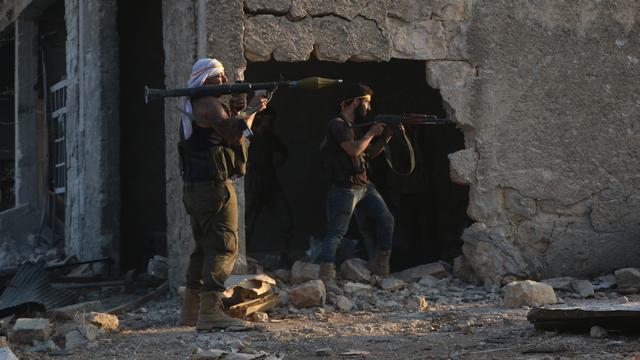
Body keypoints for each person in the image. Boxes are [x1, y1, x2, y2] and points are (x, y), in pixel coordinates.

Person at [178, 58, 268, 330]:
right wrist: (253, 107)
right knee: (224, 247)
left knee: (203, 249)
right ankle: (209, 312)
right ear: (207, 79)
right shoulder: (208, 104)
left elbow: (231, 130)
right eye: (220, 77)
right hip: (214, 188)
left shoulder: (199, 104)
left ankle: (191, 311)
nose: (226, 80)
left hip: (198, 189)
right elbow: (233, 136)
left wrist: (241, 112)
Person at [317, 83, 396, 294]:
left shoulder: (355, 127)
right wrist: (371, 132)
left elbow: (366, 154)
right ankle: (326, 276)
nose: (369, 109)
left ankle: (380, 265)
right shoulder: (337, 124)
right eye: (366, 103)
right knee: (337, 232)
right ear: (355, 101)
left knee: (386, 220)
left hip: (364, 185)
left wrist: (386, 136)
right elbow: (353, 150)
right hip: (345, 188)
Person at [244, 107, 293, 267]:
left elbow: (283, 153)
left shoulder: (270, 137)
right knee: (247, 223)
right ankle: (241, 258)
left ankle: (283, 258)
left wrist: (273, 166)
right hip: (253, 183)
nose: (271, 123)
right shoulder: (249, 136)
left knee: (285, 219)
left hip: (270, 183)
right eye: (268, 119)